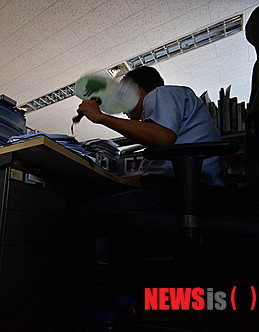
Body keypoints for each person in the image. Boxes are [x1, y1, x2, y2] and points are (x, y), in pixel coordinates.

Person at [65, 66, 227, 330]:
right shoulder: (165, 109)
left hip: (180, 195)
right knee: (121, 225)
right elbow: (161, 164)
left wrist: (101, 117)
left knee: (76, 222)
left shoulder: (160, 95)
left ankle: (98, 311)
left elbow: (164, 138)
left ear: (137, 89)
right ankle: (125, 302)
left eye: (122, 95)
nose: (124, 108)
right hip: (187, 194)